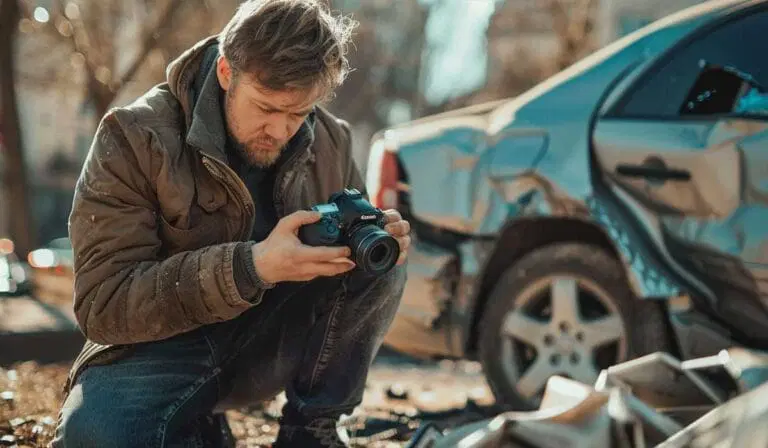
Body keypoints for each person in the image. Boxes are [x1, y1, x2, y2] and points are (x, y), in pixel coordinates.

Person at [51, 1, 410, 446]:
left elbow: (360, 266)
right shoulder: (133, 137)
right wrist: (251, 266)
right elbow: (102, 306)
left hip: (268, 342)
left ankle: (311, 432)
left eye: (298, 114)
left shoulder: (332, 139)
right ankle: (195, 423)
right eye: (265, 108)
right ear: (226, 71)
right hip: (156, 350)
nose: (279, 130)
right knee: (94, 438)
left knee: (383, 261)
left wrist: (374, 242)